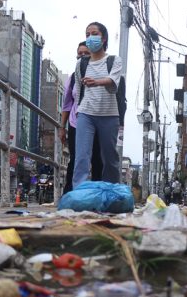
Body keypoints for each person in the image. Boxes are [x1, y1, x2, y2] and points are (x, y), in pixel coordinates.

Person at [72, 22, 122, 189]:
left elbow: (113, 82)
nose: (90, 38)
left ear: (103, 37)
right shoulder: (81, 64)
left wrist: (97, 82)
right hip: (86, 113)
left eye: (94, 33)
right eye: (87, 35)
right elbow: (79, 90)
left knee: (110, 158)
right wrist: (78, 112)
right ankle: (79, 193)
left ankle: (112, 192)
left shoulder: (114, 61)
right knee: (82, 156)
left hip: (109, 115)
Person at [61, 42, 103, 194]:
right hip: (75, 124)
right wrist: (62, 127)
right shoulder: (73, 78)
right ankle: (70, 193)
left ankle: (97, 194)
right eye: (80, 53)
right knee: (76, 158)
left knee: (97, 159)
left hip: (96, 123)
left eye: (86, 53)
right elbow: (66, 105)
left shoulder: (101, 75)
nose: (82, 56)